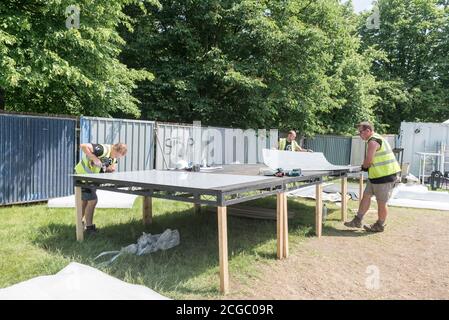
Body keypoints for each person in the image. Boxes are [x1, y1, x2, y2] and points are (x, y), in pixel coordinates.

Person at [344, 122, 400, 232]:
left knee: (381, 202)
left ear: (368, 131)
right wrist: (365, 167)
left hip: (385, 176)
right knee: (366, 196)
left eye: (361, 132)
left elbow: (369, 160)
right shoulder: (376, 138)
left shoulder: (373, 141)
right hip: (376, 176)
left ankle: (380, 225)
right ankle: (357, 220)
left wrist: (363, 167)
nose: (359, 135)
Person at [74, 143, 127, 235]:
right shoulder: (103, 149)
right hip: (82, 177)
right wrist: (94, 158)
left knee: (85, 201)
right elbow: (83, 146)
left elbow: (111, 166)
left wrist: (110, 169)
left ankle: (79, 223)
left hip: (91, 180)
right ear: (115, 149)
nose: (117, 158)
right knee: (92, 201)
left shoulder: (113, 158)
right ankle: (89, 228)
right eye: (118, 155)